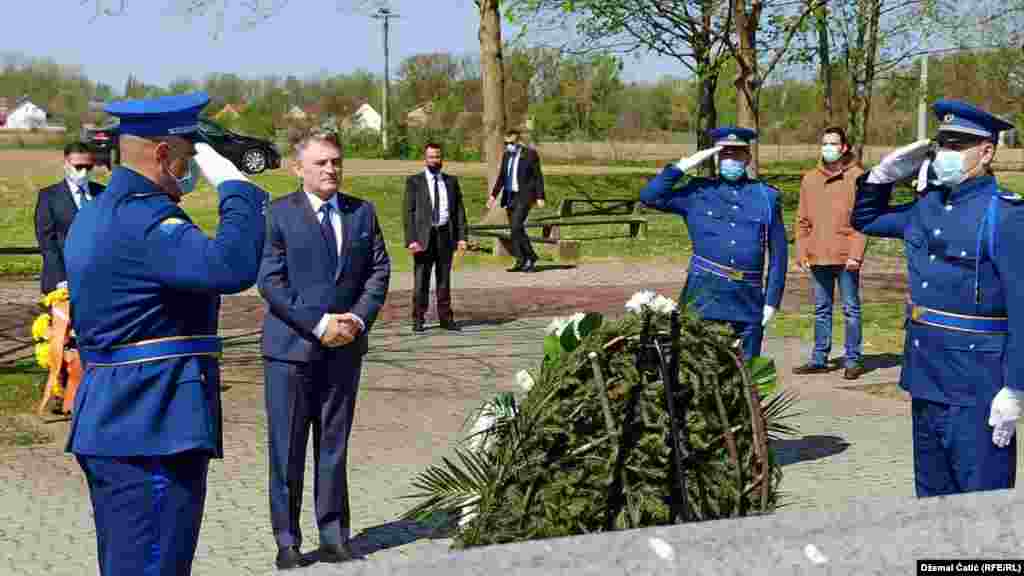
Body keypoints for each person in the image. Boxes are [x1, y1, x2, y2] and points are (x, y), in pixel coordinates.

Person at [63, 91, 268, 576]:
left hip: (120, 418)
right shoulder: (147, 220)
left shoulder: (98, 211)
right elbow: (230, 266)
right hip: (152, 424)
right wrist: (237, 190)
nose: (194, 164)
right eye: (188, 154)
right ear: (162, 154)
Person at [851, 99, 1023, 498]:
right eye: (942, 144)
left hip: (977, 385)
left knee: (982, 501)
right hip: (926, 375)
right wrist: (881, 176)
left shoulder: (1006, 214)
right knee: (932, 498)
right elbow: (865, 219)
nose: (946, 153)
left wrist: (1015, 388)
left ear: (986, 151)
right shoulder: (927, 206)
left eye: (958, 145)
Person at [258, 127, 390, 569]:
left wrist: (354, 320)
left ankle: (334, 535)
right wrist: (318, 325)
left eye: (335, 161)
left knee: (333, 448)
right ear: (299, 169)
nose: (331, 169)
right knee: (287, 449)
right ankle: (287, 541)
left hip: (344, 351)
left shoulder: (361, 213)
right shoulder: (277, 214)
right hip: (291, 352)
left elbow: (378, 271)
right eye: (321, 162)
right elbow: (271, 282)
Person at [639, 127, 788, 360]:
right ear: (717, 158)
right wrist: (681, 167)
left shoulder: (766, 196)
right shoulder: (698, 191)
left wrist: (772, 301)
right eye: (725, 155)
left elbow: (779, 254)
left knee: (747, 376)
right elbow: (649, 196)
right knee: (700, 371)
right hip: (705, 296)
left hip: (747, 298)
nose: (731, 160)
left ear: (748, 158)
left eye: (737, 155)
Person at [793, 127, 868, 379]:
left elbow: (863, 221)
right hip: (817, 254)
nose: (828, 148)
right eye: (825, 143)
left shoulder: (858, 177)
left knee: (850, 309)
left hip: (846, 257)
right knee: (821, 308)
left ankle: (852, 360)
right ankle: (819, 358)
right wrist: (801, 251)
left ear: (844, 147)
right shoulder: (809, 179)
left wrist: (856, 254)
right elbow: (802, 220)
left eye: (834, 143)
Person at [404, 142, 468, 332]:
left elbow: (459, 211)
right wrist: (411, 240)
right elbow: (408, 212)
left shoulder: (451, 181)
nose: (435, 160)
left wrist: (462, 236)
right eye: (431, 157)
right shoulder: (414, 182)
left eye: (437, 156)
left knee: (444, 280)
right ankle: (418, 318)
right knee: (421, 280)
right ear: (425, 159)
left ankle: (446, 318)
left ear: (442, 158)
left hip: (445, 236)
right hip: (423, 238)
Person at [35, 141, 106, 295]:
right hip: (62, 280)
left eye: (88, 167)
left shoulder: (103, 193)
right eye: (78, 167)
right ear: (66, 164)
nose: (84, 172)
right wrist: (61, 278)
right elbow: (47, 243)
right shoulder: (49, 197)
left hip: (99, 279)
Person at [487, 129, 545, 272]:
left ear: (519, 141)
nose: (508, 146)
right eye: (506, 143)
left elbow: (538, 177)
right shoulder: (507, 155)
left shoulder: (530, 154)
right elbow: (502, 177)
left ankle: (531, 257)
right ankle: (520, 259)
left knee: (516, 226)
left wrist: (540, 196)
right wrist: (493, 196)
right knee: (515, 230)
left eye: (511, 143)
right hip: (510, 196)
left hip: (525, 196)